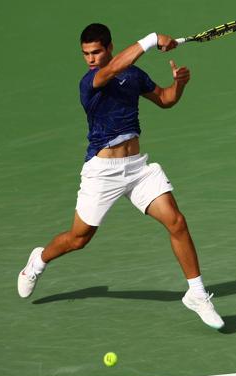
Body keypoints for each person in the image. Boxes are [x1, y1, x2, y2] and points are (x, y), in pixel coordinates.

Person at [17, 23, 224, 330]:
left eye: (96, 51)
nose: (90, 58)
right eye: (86, 53)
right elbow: (114, 68)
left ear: (109, 47)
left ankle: (196, 293)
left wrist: (179, 84)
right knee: (78, 239)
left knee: (176, 222)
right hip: (103, 173)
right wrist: (153, 39)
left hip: (138, 168)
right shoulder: (91, 81)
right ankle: (39, 260)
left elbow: (166, 100)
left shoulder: (134, 76)